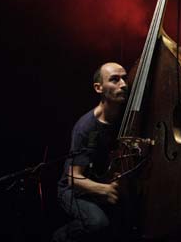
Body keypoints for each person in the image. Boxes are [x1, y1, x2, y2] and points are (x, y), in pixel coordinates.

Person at [52, 62, 128, 242]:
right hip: (73, 191)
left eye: (124, 78)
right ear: (98, 88)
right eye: (115, 80)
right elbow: (73, 177)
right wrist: (105, 190)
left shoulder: (127, 116)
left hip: (100, 182)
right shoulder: (86, 128)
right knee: (98, 223)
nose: (123, 84)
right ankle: (59, 237)